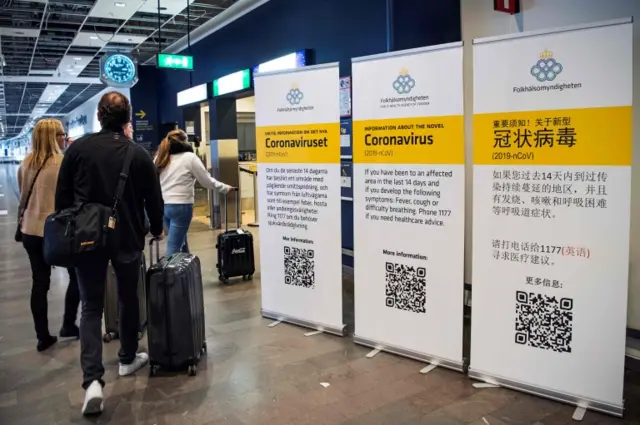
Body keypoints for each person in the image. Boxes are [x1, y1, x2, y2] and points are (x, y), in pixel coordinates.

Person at [55, 91, 164, 416]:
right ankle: (128, 358)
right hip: (127, 237)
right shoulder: (138, 154)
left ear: (99, 117)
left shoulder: (78, 150)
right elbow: (153, 201)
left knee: (91, 306)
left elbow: (62, 200)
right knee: (129, 297)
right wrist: (156, 227)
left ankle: (92, 381)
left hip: (87, 238)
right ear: (127, 118)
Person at [17, 118, 80, 352]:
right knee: (76, 277)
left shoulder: (26, 163)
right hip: (58, 231)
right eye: (62, 134)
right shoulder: (64, 163)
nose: (65, 137)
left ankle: (42, 336)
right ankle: (68, 324)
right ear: (55, 137)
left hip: (30, 230)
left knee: (39, 283)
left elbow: (23, 196)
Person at [154, 129, 234, 255]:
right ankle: (168, 274)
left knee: (181, 241)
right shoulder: (189, 158)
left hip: (163, 206)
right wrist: (224, 188)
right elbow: (206, 181)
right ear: (185, 141)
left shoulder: (161, 156)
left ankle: (188, 273)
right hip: (181, 207)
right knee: (174, 246)